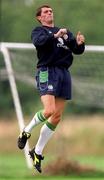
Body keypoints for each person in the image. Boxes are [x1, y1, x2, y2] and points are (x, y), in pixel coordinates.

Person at [17, 5, 85, 173]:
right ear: (40, 17)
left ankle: (37, 152)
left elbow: (77, 50)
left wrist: (80, 43)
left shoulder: (64, 32)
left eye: (51, 11)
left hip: (64, 73)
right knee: (49, 110)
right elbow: (40, 43)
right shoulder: (38, 31)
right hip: (48, 71)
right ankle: (25, 131)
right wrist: (55, 36)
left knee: (56, 116)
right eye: (45, 12)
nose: (49, 13)